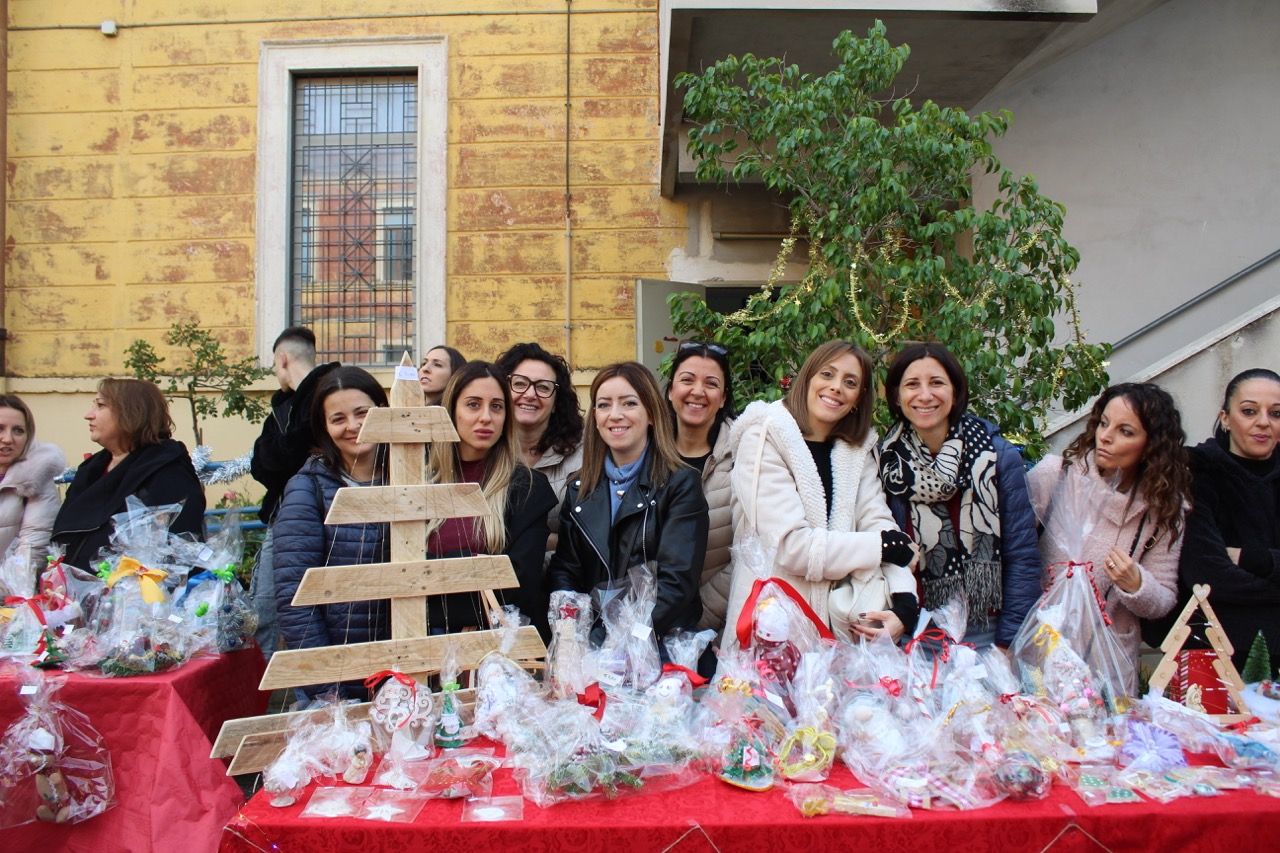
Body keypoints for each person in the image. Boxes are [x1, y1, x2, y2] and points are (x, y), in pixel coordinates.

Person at [723, 341, 919, 642]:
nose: (836, 387)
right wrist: (881, 546)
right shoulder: (763, 436)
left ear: (858, 398)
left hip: (840, 636)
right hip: (772, 627)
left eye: (850, 382)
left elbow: (878, 523)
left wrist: (904, 602)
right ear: (807, 378)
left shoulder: (857, 451)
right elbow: (791, 548)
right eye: (827, 374)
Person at [877, 343, 1041, 649]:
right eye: (912, 384)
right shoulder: (885, 463)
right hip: (913, 631)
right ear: (897, 396)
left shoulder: (997, 457)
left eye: (936, 382)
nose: (925, 395)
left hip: (988, 632)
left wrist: (1008, 643)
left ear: (956, 391)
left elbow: (1021, 556)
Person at [547, 361, 709, 664]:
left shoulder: (680, 484)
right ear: (596, 419)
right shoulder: (579, 490)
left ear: (651, 414)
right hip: (591, 649)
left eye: (629, 403)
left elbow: (676, 584)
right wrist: (571, 633)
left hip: (660, 648)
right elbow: (566, 572)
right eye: (604, 405)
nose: (615, 414)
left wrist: (620, 641)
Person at [1027, 382, 1191, 663]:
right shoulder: (1055, 475)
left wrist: (1136, 584)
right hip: (1035, 651)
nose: (1105, 437)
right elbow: (1008, 553)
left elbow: (1163, 601)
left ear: (1151, 446)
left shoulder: (1163, 509)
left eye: (1125, 431)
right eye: (1104, 423)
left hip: (1106, 665)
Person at [272, 367, 391, 698]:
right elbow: (294, 598)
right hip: (339, 679)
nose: (353, 426)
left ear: (384, 412)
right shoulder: (308, 489)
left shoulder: (413, 480)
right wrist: (327, 688)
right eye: (338, 418)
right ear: (324, 427)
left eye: (362, 413)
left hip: (405, 671)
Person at [425, 361, 558, 636]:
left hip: (496, 644)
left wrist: (434, 574)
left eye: (496, 406)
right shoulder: (418, 483)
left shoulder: (528, 488)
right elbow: (395, 573)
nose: (486, 417)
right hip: (419, 641)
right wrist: (480, 564)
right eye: (473, 405)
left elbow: (519, 585)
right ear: (451, 411)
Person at [1177, 368, 1280, 674]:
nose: (1263, 421)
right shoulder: (1196, 473)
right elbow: (1208, 577)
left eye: (1275, 413)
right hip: (1219, 655)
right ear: (1225, 418)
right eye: (1249, 411)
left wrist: (1252, 559)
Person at [249, 325, 340, 657]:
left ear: (282, 358)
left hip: (325, 512)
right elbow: (261, 463)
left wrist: (282, 452)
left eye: (274, 365)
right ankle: (264, 681)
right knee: (267, 608)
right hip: (284, 512)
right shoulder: (283, 407)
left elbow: (284, 456)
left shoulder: (332, 391)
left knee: (303, 608)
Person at [52, 379, 205, 567]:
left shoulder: (167, 471)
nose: (88, 415)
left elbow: (180, 548)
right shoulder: (91, 469)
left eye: (100, 405)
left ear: (131, 413)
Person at [663, 341, 736, 634]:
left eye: (711, 383)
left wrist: (699, 619)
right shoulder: (643, 454)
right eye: (687, 380)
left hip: (718, 627)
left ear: (723, 398)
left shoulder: (745, 456)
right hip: (647, 623)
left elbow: (750, 551)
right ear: (671, 390)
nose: (698, 391)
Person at [494, 342, 584, 562]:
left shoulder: (584, 456)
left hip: (562, 575)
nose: (530, 394)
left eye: (543, 387)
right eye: (519, 383)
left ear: (556, 403)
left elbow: (585, 538)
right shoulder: (484, 449)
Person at [0, 395, 66, 565]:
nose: (8, 439)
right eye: (0, 428)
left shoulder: (36, 477)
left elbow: (34, 548)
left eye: (18, 431)